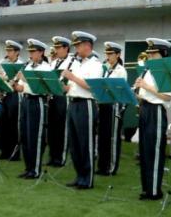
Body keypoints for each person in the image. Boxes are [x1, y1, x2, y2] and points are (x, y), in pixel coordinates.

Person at [135, 38, 171, 200]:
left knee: (155, 151)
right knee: (144, 151)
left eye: (153, 53)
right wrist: (136, 93)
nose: (149, 57)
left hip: (156, 111)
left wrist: (146, 86)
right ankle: (147, 188)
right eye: (149, 53)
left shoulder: (166, 71)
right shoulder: (147, 71)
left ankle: (155, 191)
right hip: (145, 108)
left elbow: (166, 96)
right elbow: (142, 93)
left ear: (162, 54)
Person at [62, 31, 101, 189]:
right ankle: (79, 176)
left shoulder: (96, 64)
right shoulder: (76, 63)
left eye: (78, 45)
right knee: (75, 143)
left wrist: (72, 77)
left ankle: (88, 179)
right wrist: (61, 85)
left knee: (86, 143)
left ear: (88, 45)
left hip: (86, 105)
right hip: (73, 103)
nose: (76, 49)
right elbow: (71, 87)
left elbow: (91, 86)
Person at [14, 39, 51, 179]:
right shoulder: (29, 66)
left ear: (41, 52)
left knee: (35, 136)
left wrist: (25, 79)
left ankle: (35, 169)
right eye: (29, 51)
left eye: (33, 51)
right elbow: (25, 87)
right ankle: (28, 167)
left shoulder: (46, 67)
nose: (30, 54)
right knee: (25, 135)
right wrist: (17, 86)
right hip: (26, 100)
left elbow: (42, 88)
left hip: (37, 101)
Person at [95, 42, 128, 177]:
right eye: (107, 54)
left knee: (113, 137)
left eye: (111, 54)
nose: (108, 56)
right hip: (103, 104)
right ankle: (102, 166)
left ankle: (111, 166)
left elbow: (120, 90)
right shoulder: (105, 68)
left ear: (118, 55)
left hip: (114, 105)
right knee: (102, 136)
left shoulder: (121, 70)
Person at [47, 36, 72, 167]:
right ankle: (52, 155)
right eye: (55, 48)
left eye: (58, 48)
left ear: (66, 48)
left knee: (61, 128)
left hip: (63, 97)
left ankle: (60, 157)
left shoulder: (71, 61)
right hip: (52, 96)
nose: (56, 50)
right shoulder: (53, 62)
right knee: (52, 128)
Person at [0, 40, 24, 161]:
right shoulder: (3, 63)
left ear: (17, 52)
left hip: (15, 94)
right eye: (7, 50)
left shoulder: (22, 65)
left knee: (14, 124)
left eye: (10, 50)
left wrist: (7, 78)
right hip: (5, 94)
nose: (8, 53)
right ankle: (4, 150)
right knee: (3, 123)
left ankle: (15, 152)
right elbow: (0, 77)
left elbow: (21, 82)